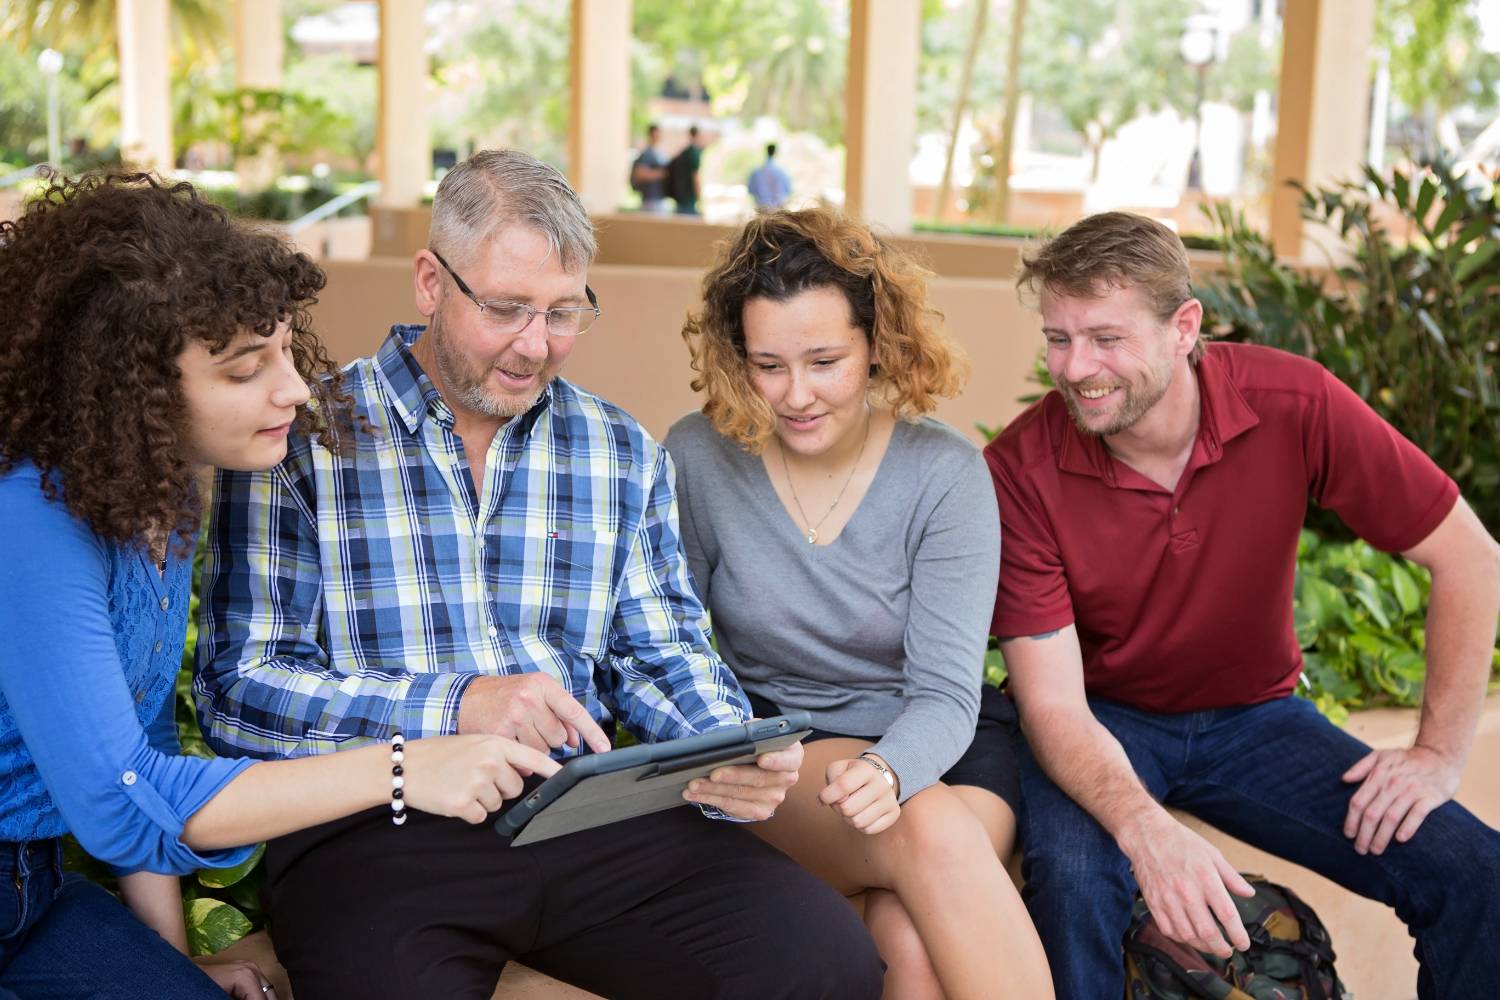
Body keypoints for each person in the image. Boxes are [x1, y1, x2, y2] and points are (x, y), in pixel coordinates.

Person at [195, 150, 884, 1000]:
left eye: (564, 313)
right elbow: (239, 693)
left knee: (826, 966)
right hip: (377, 828)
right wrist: (458, 706)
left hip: (584, 812)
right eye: (507, 308)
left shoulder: (621, 452)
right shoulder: (298, 441)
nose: (535, 345)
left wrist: (723, 746)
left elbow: (659, 653)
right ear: (429, 282)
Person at [0, 173, 563, 1000]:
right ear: (134, 392)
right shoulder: (31, 522)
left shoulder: (155, 500)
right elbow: (125, 802)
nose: (295, 389)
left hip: (33, 891)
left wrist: (176, 965)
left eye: (283, 351)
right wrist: (404, 767)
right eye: (242, 371)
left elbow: (144, 751)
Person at [986, 210, 1500, 998]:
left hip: (1258, 720)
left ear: (1183, 326)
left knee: (1476, 875)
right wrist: (1147, 831)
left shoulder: (1292, 401)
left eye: (1106, 338)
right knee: (1076, 883)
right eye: (1058, 338)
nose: (1075, 366)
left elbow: (1468, 554)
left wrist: (1437, 754)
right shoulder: (1020, 467)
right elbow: (1051, 705)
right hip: (1100, 720)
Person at [667, 207, 1053, 1000]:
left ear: (877, 343)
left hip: (943, 740)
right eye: (769, 365)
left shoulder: (944, 474)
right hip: (787, 744)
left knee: (909, 942)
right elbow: (671, 643)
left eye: (824, 360)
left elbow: (947, 692)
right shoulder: (700, 457)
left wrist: (890, 766)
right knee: (928, 831)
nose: (796, 395)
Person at [629, 122, 669, 214]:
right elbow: (640, 173)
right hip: (651, 201)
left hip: (659, 199)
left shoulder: (659, 153)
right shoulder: (647, 154)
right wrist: (662, 174)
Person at [668, 125, 705, 215]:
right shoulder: (694, 153)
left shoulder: (684, 152)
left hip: (680, 195)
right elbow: (695, 176)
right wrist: (700, 199)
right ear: (698, 135)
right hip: (689, 199)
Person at [747, 143, 792, 210]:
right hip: (778, 211)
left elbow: (750, 190)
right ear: (775, 152)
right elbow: (788, 191)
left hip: (762, 210)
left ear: (766, 151)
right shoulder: (782, 172)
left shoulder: (756, 172)